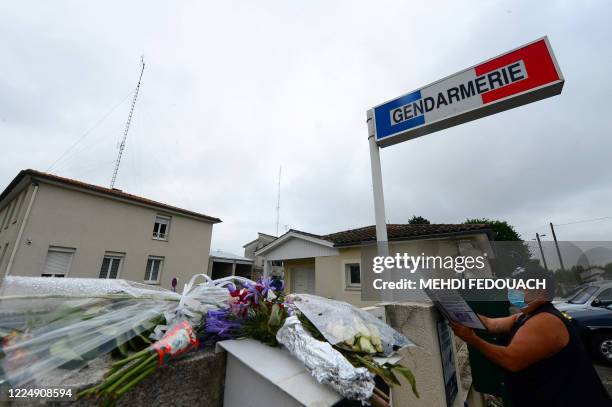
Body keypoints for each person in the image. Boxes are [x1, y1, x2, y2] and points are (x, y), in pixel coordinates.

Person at [450, 265, 612, 407]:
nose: (512, 290)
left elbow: (510, 360)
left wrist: (473, 339)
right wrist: (457, 311)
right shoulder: (525, 315)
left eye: (519, 286)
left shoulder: (545, 321)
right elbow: (491, 324)